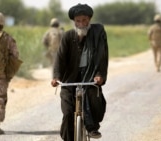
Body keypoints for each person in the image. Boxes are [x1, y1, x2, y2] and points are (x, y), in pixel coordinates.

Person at [51, 3, 108, 141]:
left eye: (84, 20)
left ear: (89, 19)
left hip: (90, 78)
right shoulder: (68, 36)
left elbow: (102, 56)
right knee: (68, 113)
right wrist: (56, 77)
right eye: (78, 20)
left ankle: (92, 127)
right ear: (74, 21)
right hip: (69, 80)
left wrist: (99, 74)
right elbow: (60, 58)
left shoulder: (97, 33)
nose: (81, 23)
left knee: (93, 96)